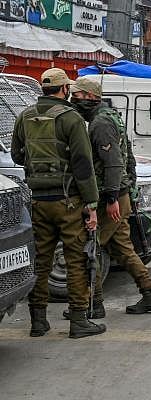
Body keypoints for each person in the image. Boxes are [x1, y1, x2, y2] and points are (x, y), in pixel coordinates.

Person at [11, 68, 106, 338]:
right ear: (64, 89)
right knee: (76, 259)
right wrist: (91, 204)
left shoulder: (25, 116)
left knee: (42, 261)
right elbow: (83, 165)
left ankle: (38, 322)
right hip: (69, 201)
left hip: (38, 201)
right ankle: (78, 321)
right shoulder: (71, 118)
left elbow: (18, 155)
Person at [67, 77, 151, 315]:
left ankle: (94, 304)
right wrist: (128, 190)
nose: (74, 99)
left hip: (108, 197)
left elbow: (113, 163)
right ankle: (150, 293)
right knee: (123, 249)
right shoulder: (111, 117)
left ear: (90, 96)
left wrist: (112, 197)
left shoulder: (100, 123)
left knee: (91, 247)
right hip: (119, 194)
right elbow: (128, 158)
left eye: (77, 95)